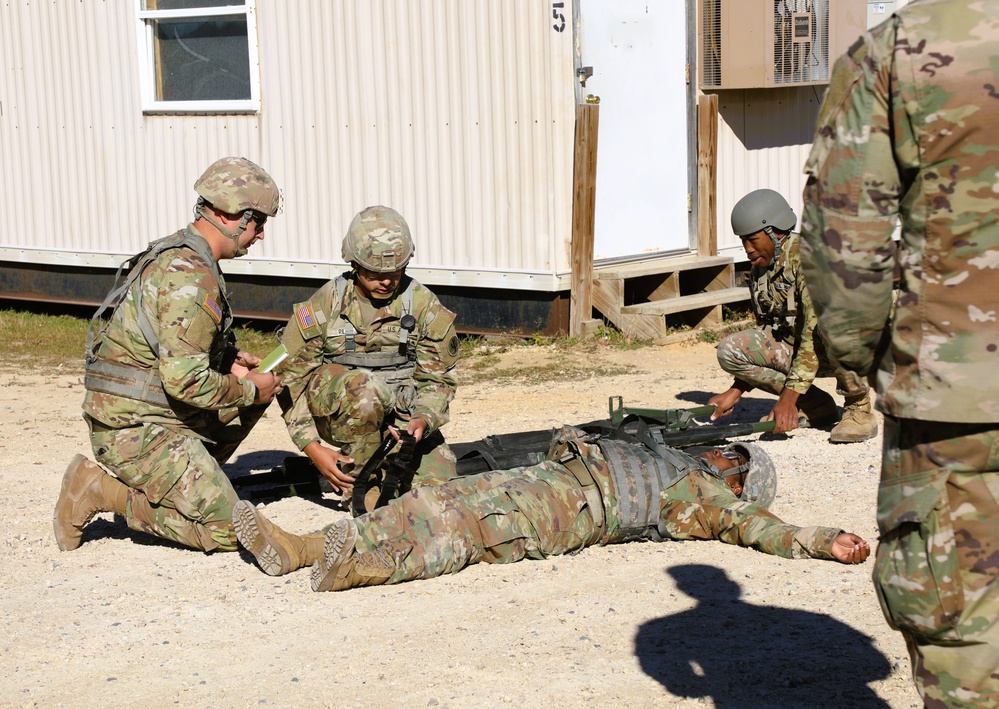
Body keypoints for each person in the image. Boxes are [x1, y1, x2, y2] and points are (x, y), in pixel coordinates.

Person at [799, 1, 999, 705]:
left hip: (953, 398)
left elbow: (843, 246)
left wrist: (870, 363)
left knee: (963, 628)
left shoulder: (892, 52)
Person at [232, 426, 870, 590]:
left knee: (458, 533)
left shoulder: (707, 501)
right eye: (731, 452)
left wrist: (824, 539)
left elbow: (764, 531)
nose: (724, 456)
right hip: (544, 478)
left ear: (740, 483)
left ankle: (359, 567)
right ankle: (302, 548)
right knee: (435, 498)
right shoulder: (673, 457)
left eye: (736, 463)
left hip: (565, 516)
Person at [53, 156, 284, 553]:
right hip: (132, 428)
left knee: (252, 386)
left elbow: (168, 345)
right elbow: (183, 379)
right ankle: (98, 490)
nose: (260, 234)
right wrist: (250, 392)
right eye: (258, 222)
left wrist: (226, 357)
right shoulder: (191, 275)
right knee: (232, 530)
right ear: (234, 217)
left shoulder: (183, 254)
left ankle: (192, 479)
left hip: (141, 413)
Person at [273, 205, 460, 511]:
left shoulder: (424, 306)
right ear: (353, 263)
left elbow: (437, 380)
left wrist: (423, 419)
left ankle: (389, 466)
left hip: (402, 423)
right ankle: (362, 485)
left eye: (395, 271)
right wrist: (313, 448)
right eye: (375, 273)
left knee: (442, 498)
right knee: (366, 390)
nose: (386, 281)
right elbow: (291, 380)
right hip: (339, 415)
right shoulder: (323, 305)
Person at [706, 189, 878, 443]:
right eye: (743, 241)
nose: (748, 249)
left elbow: (812, 328)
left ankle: (859, 408)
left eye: (753, 240)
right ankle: (817, 405)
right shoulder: (761, 269)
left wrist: (788, 397)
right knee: (731, 350)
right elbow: (767, 333)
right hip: (810, 350)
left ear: (775, 232)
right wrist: (737, 388)